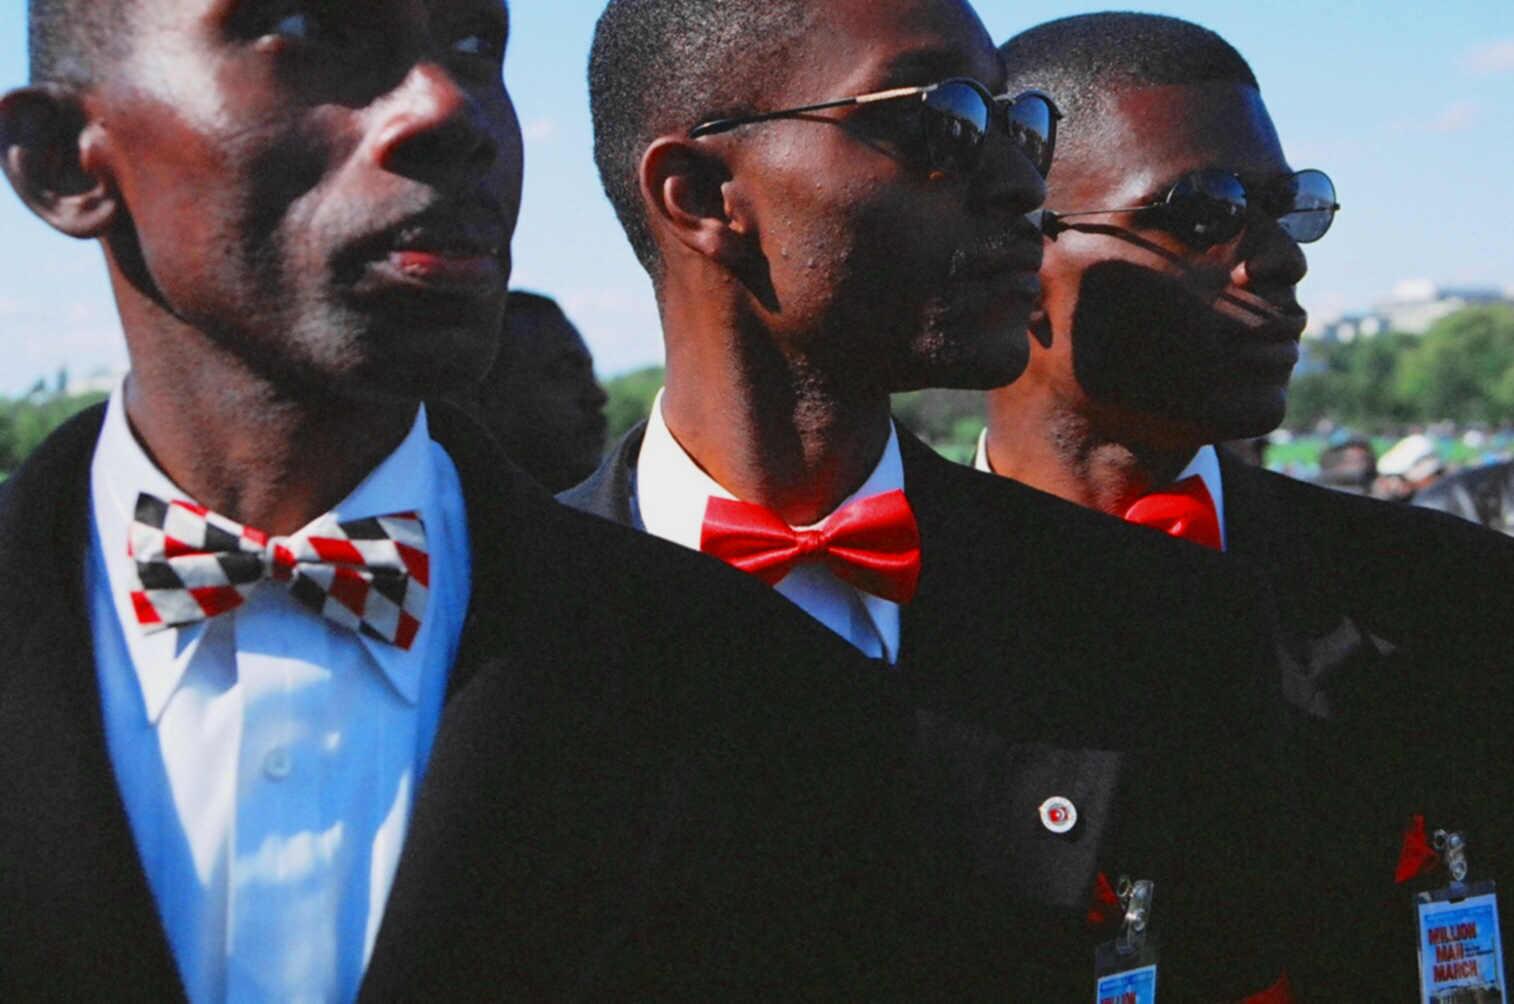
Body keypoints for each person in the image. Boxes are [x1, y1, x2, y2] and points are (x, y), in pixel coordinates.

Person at [0, 1, 915, 998]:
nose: (449, 106)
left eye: (479, 45)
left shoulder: (774, 707)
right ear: (63, 162)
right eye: (309, 29)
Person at [566, 0, 1291, 996]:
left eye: (1015, 125)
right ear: (699, 195)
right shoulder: (499, 625)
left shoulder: (1163, 620)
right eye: (937, 123)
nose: (1016, 186)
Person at [986, 12, 1514, 996]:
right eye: (1202, 210)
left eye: (1289, 206)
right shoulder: (874, 619)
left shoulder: (1450, 594)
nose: (1280, 259)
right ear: (1016, 251)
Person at [454, 289, 608, 492]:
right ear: (481, 396)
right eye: (565, 373)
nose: (598, 396)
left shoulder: (633, 514)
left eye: (589, 373)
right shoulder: (437, 518)